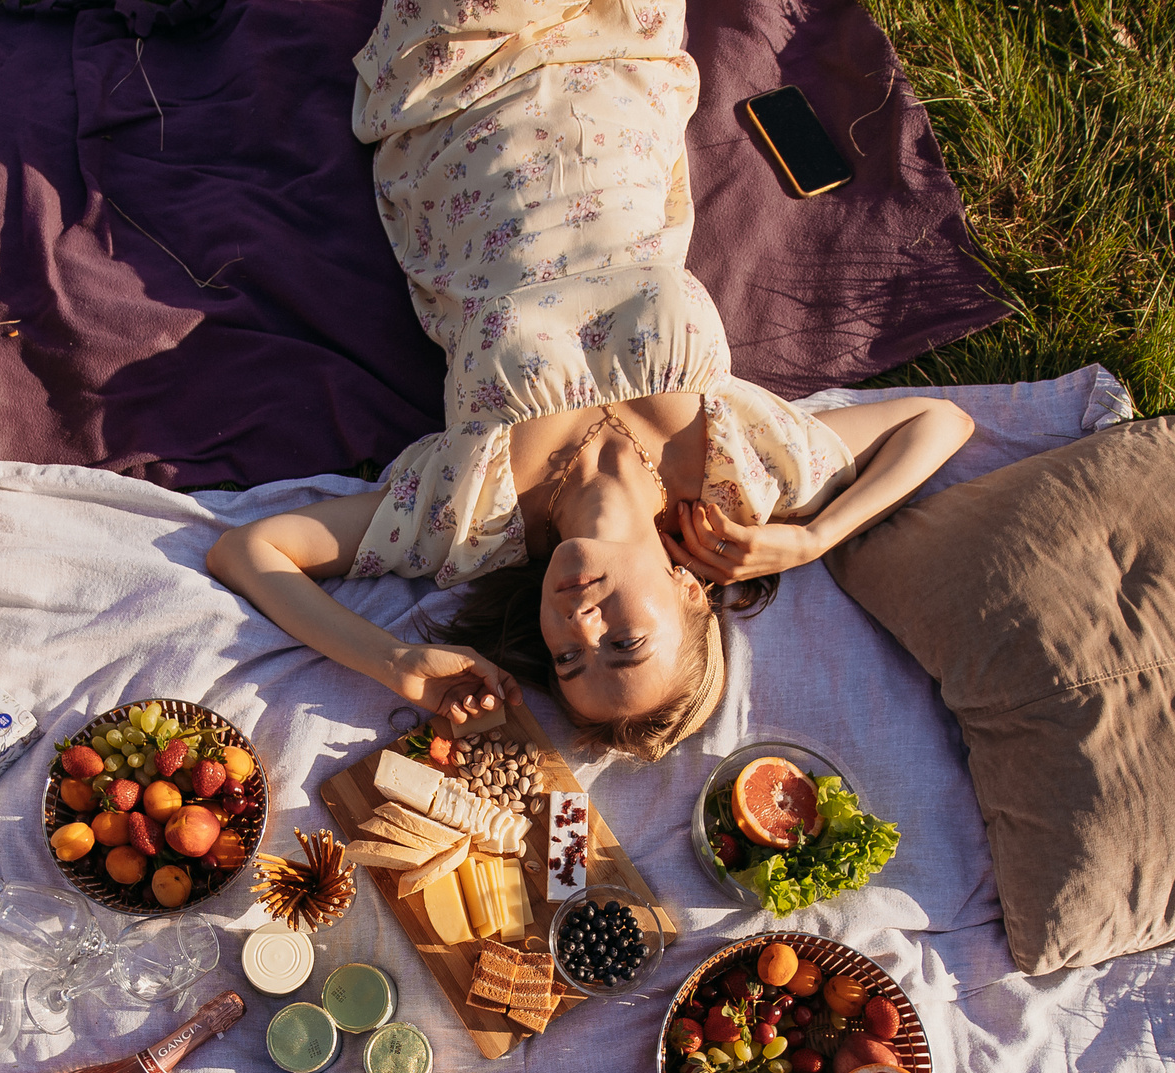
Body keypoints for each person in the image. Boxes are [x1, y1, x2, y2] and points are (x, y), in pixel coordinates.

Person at [208, 0, 973, 760]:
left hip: (459, 78)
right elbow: (938, 423)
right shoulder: (743, 468)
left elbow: (251, 551)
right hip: (622, 58)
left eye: (569, 660)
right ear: (689, 596)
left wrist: (398, 664)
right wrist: (810, 536)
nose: (581, 626)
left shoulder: (475, 513)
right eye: (625, 643)